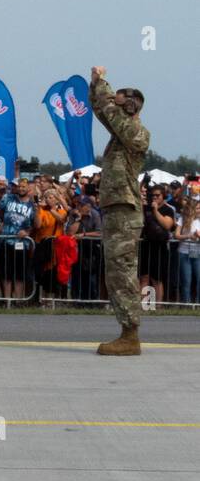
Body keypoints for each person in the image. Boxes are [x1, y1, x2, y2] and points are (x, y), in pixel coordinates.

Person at [89, 66, 150, 355]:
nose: (112, 102)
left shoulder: (136, 132)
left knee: (123, 272)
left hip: (125, 211)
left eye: (118, 99)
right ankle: (127, 332)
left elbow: (109, 111)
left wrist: (102, 83)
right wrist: (95, 87)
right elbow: (103, 111)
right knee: (115, 272)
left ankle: (130, 335)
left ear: (129, 105)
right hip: (117, 210)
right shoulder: (120, 131)